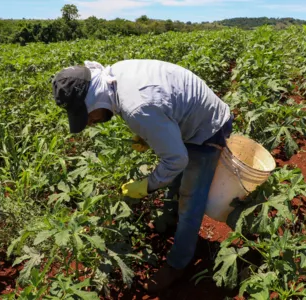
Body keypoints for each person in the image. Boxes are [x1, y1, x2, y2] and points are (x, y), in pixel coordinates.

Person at [52, 59, 233, 292]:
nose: (90, 122)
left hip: (208, 128)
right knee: (174, 180)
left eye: (87, 116)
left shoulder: (137, 108)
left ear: (94, 100)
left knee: (190, 200)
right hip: (185, 118)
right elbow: (159, 109)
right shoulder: (115, 76)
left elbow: (176, 159)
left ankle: (178, 264)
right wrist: (154, 133)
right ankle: (168, 222)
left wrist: (147, 185)